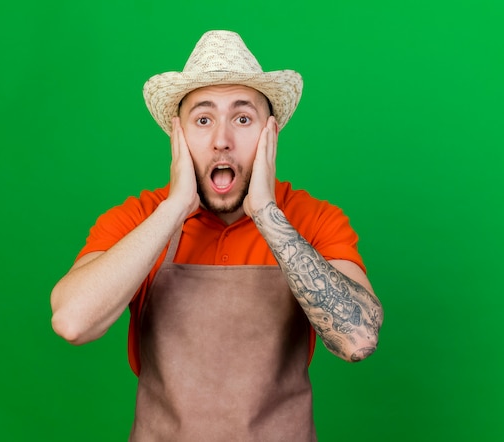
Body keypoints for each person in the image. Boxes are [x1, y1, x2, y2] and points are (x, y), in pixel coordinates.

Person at [51, 30, 383, 441]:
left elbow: (359, 339)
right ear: (178, 135)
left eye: (242, 119)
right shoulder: (139, 218)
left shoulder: (312, 219)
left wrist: (265, 213)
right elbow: (72, 322)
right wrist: (174, 209)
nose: (221, 141)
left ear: (270, 134)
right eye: (203, 120)